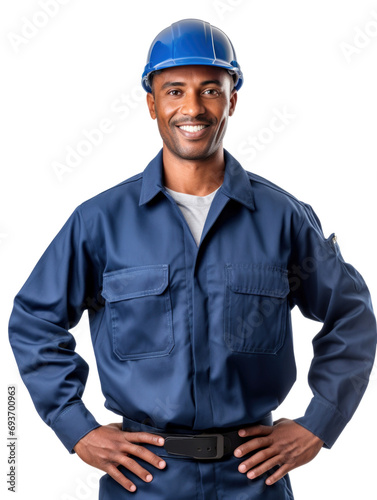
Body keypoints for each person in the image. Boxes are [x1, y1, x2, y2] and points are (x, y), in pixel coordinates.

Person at [8, 18, 377, 500]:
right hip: (142, 480)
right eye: (174, 91)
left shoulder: (282, 218)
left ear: (233, 101)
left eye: (210, 90)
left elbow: (352, 315)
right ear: (152, 103)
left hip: (254, 479)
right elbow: (35, 318)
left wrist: (319, 423)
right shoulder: (99, 222)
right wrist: (75, 427)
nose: (192, 108)